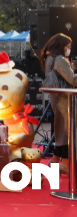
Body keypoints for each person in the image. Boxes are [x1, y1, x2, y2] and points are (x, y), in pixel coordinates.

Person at [41, 33, 76, 171]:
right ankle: (66, 165)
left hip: (56, 97)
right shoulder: (60, 59)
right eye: (67, 46)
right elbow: (72, 80)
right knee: (68, 132)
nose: (69, 49)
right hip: (65, 98)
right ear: (61, 46)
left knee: (60, 130)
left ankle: (55, 160)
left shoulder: (49, 58)